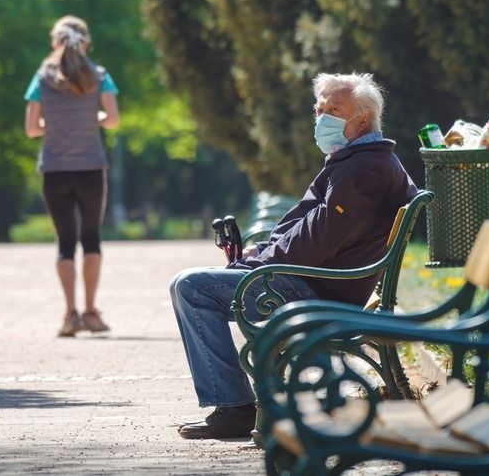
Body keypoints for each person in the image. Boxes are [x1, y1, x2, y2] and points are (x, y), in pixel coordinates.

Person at [170, 73, 416, 439]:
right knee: (193, 284)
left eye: (335, 109)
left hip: (318, 293)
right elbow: (309, 229)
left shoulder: (362, 169)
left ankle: (235, 407)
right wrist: (262, 252)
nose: (323, 119)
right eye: (319, 109)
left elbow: (316, 242)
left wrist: (253, 264)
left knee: (191, 287)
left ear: (363, 118)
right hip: (316, 283)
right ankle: (234, 404)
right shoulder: (358, 161)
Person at [23, 15, 120, 337]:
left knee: (65, 243)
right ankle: (92, 311)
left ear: (55, 42)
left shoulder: (41, 78)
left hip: (54, 171)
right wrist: (92, 117)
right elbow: (113, 120)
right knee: (91, 238)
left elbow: (31, 128)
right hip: (91, 169)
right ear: (86, 42)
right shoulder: (99, 75)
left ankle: (70, 314)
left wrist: (56, 125)